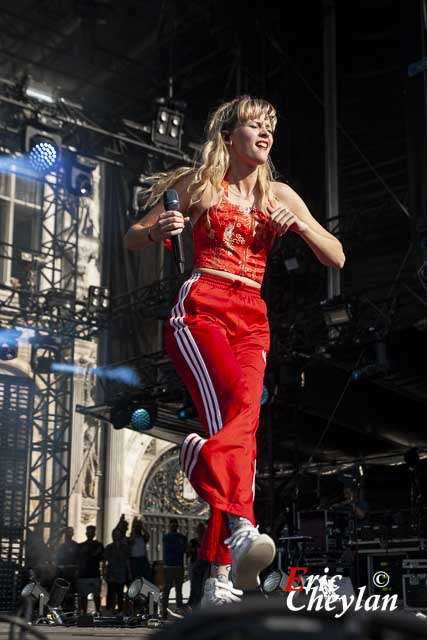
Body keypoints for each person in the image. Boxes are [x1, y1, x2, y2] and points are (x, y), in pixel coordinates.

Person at [124, 95, 345, 606]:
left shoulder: (280, 195)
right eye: (254, 126)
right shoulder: (201, 184)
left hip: (252, 316)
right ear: (229, 137)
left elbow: (336, 255)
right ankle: (235, 538)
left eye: (271, 127)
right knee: (237, 431)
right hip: (202, 306)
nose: (266, 134)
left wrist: (302, 226)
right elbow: (133, 237)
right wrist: (158, 229)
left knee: (241, 427)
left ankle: (217, 574)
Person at [162, 519, 187, 618]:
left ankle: (179, 609)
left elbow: (184, 549)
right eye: (172, 525)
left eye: (175, 525)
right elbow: (173, 549)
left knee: (178, 590)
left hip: (178, 565)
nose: (173, 527)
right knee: (167, 589)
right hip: (169, 565)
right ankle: (164, 610)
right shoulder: (167, 537)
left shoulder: (182, 537)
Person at [76, 525, 104, 613]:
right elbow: (79, 557)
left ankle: (98, 612)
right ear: (86, 533)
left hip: (94, 573)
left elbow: (102, 557)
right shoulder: (81, 546)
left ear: (94, 534)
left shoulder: (98, 545)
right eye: (89, 532)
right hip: (84, 574)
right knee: (83, 596)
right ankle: (84, 612)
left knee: (96, 595)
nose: (90, 534)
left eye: (92, 532)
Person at [103, 529, 131, 613]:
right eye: (114, 535)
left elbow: (127, 560)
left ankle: (120, 610)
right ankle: (108, 609)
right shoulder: (109, 547)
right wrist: (104, 571)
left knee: (120, 592)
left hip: (121, 572)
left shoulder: (125, 547)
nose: (116, 536)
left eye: (118, 535)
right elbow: (105, 560)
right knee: (110, 592)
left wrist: (129, 572)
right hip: (111, 572)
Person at [186, 522, 210, 609]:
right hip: (195, 564)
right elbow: (187, 553)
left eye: (202, 530)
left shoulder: (207, 542)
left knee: (203, 585)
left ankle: (200, 603)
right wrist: (190, 549)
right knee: (194, 584)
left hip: (205, 565)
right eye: (199, 530)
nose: (201, 532)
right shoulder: (193, 542)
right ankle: (193, 603)